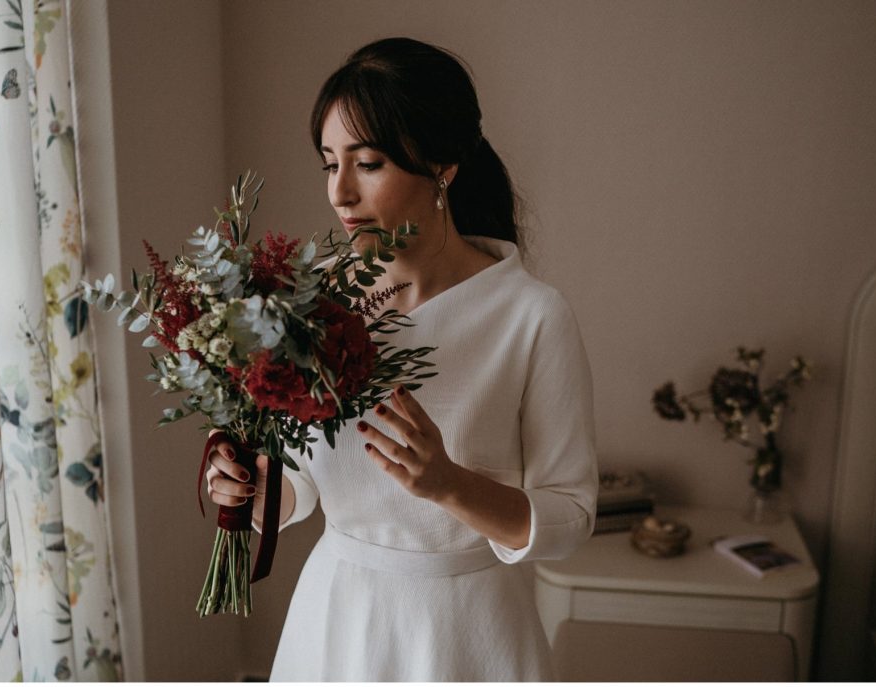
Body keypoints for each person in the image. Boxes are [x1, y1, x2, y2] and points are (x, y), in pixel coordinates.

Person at [205, 36, 598, 681]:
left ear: (441, 166)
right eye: (329, 163)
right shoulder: (314, 298)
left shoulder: (532, 317)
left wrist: (448, 484)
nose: (340, 192)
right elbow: (301, 482)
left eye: (369, 163)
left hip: (467, 631)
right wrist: (248, 489)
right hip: (337, 618)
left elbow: (570, 517)